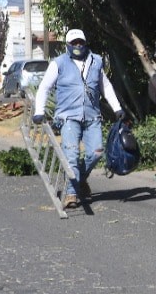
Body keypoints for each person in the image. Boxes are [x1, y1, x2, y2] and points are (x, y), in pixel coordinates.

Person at [33, 28, 126, 209]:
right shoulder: (58, 63)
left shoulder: (95, 61)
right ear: (68, 45)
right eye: (74, 43)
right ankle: (71, 193)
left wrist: (117, 108)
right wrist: (39, 110)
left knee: (96, 152)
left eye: (80, 42)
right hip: (68, 117)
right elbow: (44, 87)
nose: (77, 46)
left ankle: (80, 179)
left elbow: (105, 86)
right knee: (72, 156)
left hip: (92, 117)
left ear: (85, 43)